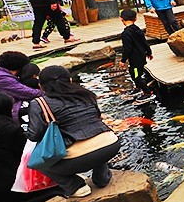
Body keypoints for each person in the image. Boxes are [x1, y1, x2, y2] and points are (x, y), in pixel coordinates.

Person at [27, 65, 121, 195]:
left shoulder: (39, 103)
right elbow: (97, 117)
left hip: (79, 158)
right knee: (94, 137)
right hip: (111, 145)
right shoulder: (85, 93)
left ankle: (76, 186)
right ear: (70, 80)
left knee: (37, 162)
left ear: (40, 86)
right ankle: (102, 177)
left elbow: (34, 135)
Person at [120, 8, 153, 102]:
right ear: (135, 19)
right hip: (141, 57)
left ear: (122, 19)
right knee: (134, 72)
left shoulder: (126, 33)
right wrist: (149, 52)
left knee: (136, 76)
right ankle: (138, 88)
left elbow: (127, 48)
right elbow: (144, 42)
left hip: (135, 60)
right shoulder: (138, 29)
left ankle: (147, 92)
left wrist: (123, 60)